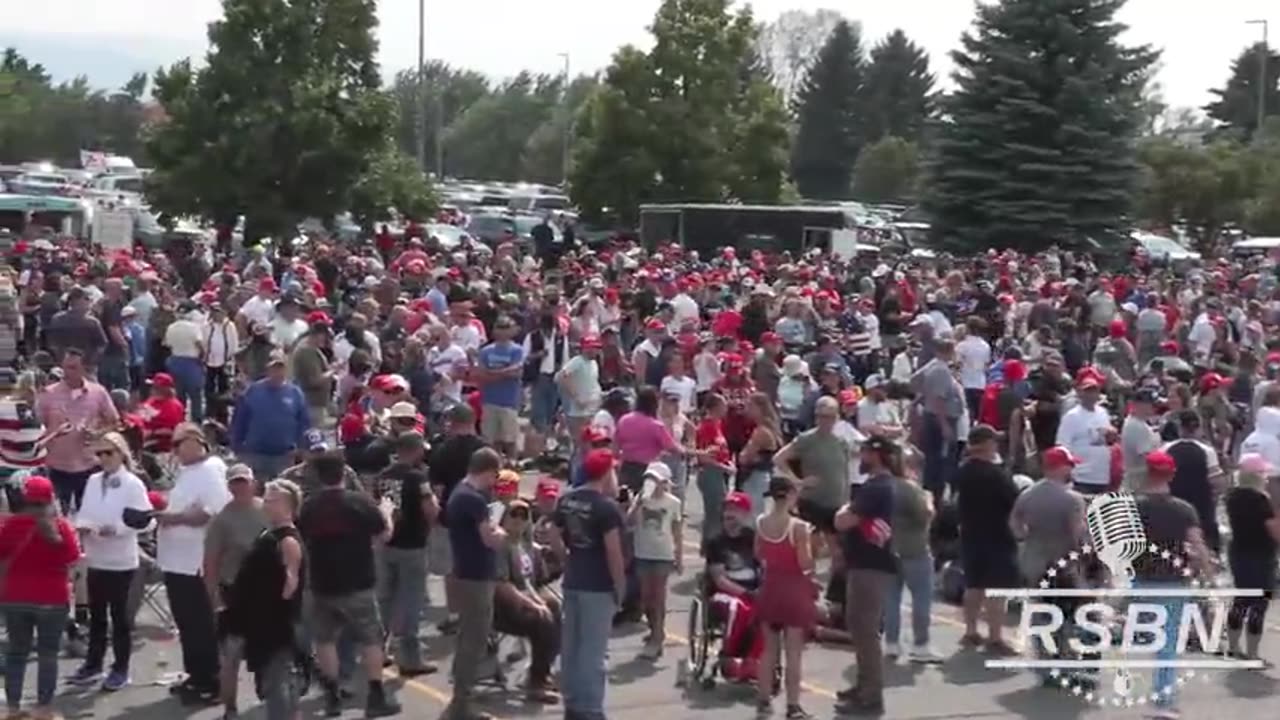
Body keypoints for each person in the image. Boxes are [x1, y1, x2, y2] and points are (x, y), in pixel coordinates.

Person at [296, 451, 400, 718]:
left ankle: (332, 695)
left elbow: (301, 538)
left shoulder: (309, 507)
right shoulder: (359, 502)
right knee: (370, 639)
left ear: (318, 477)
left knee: (325, 639)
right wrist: (387, 512)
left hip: (322, 582)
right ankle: (375, 695)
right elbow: (384, 535)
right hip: (358, 581)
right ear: (343, 473)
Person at [547, 449, 627, 720]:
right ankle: (590, 707)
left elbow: (553, 533)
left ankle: (572, 701)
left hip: (574, 579)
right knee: (594, 650)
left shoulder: (567, 500)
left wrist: (566, 557)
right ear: (606, 474)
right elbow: (613, 552)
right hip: (598, 585)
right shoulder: (606, 508)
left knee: (571, 644)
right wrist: (620, 586)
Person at [67, 432, 150, 692]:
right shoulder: (92, 480)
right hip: (96, 557)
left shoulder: (132, 483)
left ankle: (121, 668)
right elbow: (85, 512)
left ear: (121, 453)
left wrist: (116, 529)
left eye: (108, 453)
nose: (103, 459)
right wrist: (85, 527)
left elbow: (145, 518)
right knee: (97, 616)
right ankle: (93, 665)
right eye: (99, 453)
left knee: (120, 619)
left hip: (121, 560)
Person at [1134, 449, 1211, 719]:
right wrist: (1209, 576)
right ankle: (1163, 700)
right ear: (1172, 475)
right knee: (1168, 642)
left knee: (1152, 637)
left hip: (1140, 580)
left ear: (1147, 473)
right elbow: (1198, 545)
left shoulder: (1132, 506)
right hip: (1173, 580)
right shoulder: (1183, 509)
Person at [157, 423, 231, 705]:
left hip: (195, 561)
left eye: (180, 443)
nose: (175, 450)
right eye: (173, 446)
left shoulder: (211, 469)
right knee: (186, 622)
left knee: (200, 623)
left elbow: (210, 512)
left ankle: (211, 680)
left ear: (198, 441)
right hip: (176, 560)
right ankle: (196, 674)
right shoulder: (187, 472)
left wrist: (171, 518)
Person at [223, 479, 306, 720]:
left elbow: (290, 585)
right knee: (271, 684)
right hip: (257, 623)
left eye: (273, 500)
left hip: (275, 626)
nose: (267, 504)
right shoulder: (268, 534)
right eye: (266, 499)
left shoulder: (288, 540)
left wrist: (269, 608)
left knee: (277, 684)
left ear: (289, 505)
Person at [0, 475, 81, 720]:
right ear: (50, 499)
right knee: (48, 655)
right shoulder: (61, 526)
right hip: (52, 598)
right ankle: (43, 709)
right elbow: (73, 559)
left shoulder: (10, 526)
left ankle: (12, 708)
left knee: (16, 653)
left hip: (15, 597)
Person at [832, 436, 896, 716]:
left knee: (865, 630)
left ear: (877, 455)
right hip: (867, 563)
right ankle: (863, 685)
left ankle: (871, 695)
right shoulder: (880, 486)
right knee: (858, 628)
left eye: (866, 453)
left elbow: (842, 520)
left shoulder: (876, 488)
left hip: (871, 565)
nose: (862, 458)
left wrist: (845, 509)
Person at [442, 447, 507, 720]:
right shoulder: (474, 501)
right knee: (474, 641)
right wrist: (501, 532)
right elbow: (489, 539)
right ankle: (461, 704)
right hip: (477, 576)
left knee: (466, 637)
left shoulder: (460, 492)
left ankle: (460, 698)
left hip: (463, 572)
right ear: (489, 471)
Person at [203, 463, 269, 719]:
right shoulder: (222, 520)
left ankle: (269, 690)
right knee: (231, 655)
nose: (240, 486)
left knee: (272, 649)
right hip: (235, 593)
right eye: (235, 482)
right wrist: (214, 596)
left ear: (253, 483)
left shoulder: (268, 509)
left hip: (267, 592)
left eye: (244, 481)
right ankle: (230, 707)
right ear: (229, 486)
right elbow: (210, 562)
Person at [375, 431, 439, 677]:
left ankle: (379, 650)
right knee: (412, 601)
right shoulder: (417, 477)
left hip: (387, 544)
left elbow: (377, 507)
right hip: (412, 545)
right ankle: (410, 658)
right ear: (413, 450)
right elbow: (430, 508)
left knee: (385, 600)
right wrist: (431, 525)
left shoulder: (383, 476)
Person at [753, 475, 816, 720]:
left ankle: (763, 699)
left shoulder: (761, 522)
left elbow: (758, 553)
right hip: (794, 591)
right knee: (793, 653)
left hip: (771, 588)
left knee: (768, 651)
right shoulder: (798, 527)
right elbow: (804, 563)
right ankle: (792, 706)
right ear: (790, 495)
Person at [954, 424, 1021, 654]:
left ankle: (970, 631)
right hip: (997, 535)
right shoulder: (996, 475)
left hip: (971, 533)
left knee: (974, 585)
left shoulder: (963, 471)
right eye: (992, 441)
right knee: (996, 589)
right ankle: (995, 637)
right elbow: (1015, 501)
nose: (996, 445)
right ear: (983, 445)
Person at [427, 404, 488, 634]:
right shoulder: (485, 449)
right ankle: (478, 611)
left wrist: (435, 515)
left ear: (452, 423)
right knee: (479, 566)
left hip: (450, 516)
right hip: (481, 513)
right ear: (473, 421)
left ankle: (455, 615)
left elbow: (439, 489)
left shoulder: (442, 450)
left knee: (452, 568)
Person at [493, 499, 560, 703]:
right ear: (504, 518)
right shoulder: (500, 545)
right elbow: (502, 585)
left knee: (556, 610)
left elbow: (538, 582)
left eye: (524, 516)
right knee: (543, 622)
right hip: (503, 606)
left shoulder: (529, 547)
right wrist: (533, 604)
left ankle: (540, 672)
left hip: (526, 599)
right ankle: (535, 685)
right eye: (514, 515)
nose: (518, 520)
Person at [36, 348, 119, 512]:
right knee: (58, 515)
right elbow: (38, 426)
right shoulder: (48, 393)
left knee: (89, 514)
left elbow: (114, 422)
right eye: (65, 367)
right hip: (57, 466)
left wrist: (98, 433)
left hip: (88, 464)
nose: (67, 372)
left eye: (73, 368)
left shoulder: (98, 392)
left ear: (84, 369)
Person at [882, 446, 940, 663]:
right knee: (921, 599)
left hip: (888, 547)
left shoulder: (882, 486)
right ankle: (920, 644)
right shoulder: (910, 489)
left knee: (891, 599)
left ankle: (891, 643)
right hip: (914, 548)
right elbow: (925, 515)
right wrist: (930, 500)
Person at [703, 492, 764, 683]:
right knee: (737, 608)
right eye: (728, 511)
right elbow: (719, 579)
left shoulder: (753, 539)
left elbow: (764, 566)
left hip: (753, 591)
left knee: (766, 612)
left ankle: (752, 661)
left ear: (745, 515)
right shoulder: (716, 542)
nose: (730, 515)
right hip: (724, 593)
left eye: (735, 511)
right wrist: (746, 593)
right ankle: (728, 656)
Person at [1224, 454, 1279, 663]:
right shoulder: (1261, 500)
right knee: (1259, 603)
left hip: (1238, 550)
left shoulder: (1232, 497)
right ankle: (1253, 652)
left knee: (1241, 599)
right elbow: (1272, 528)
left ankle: (1233, 646)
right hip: (1261, 553)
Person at [230, 351, 312, 484]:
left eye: (281, 368)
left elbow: (304, 423)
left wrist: (302, 448)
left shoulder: (295, 393)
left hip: (284, 455)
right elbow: (240, 419)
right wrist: (237, 446)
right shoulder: (253, 391)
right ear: (267, 369)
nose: (277, 373)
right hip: (255, 454)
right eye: (274, 369)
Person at [628, 462, 683, 660]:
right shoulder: (641, 500)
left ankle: (657, 638)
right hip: (643, 553)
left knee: (658, 597)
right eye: (649, 479)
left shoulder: (673, 503)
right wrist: (638, 504)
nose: (651, 483)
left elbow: (677, 532)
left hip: (662, 554)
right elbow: (629, 521)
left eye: (656, 479)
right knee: (646, 597)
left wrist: (679, 557)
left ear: (664, 482)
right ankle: (654, 629)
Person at [475, 316, 525, 458]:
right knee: (491, 439)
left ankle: (512, 464)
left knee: (510, 439)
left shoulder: (517, 350)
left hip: (509, 400)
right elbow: (481, 374)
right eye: (499, 327)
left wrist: (493, 373)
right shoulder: (486, 351)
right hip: (489, 400)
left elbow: (517, 372)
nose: (502, 331)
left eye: (506, 327)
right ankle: (495, 464)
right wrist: (504, 372)